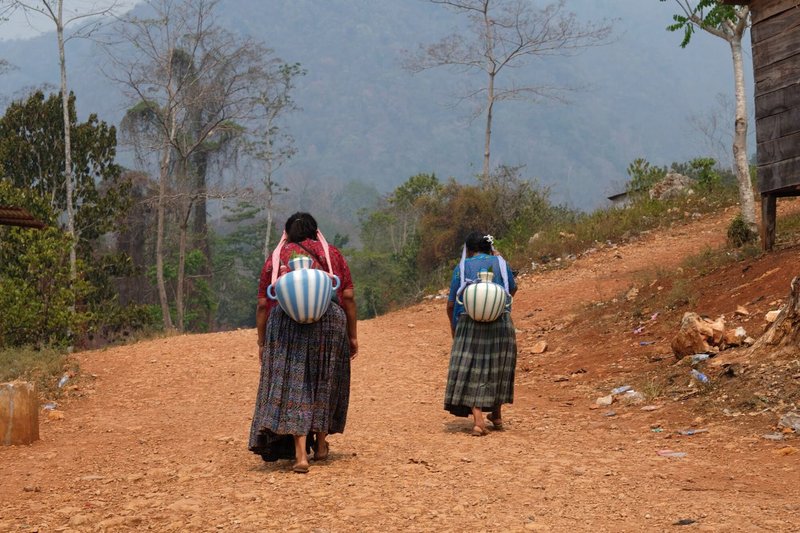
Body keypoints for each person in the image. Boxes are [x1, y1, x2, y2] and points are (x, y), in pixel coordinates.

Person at [248, 212, 358, 473]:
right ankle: (320, 444)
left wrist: (262, 341)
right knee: (325, 379)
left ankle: (300, 456)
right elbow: (349, 296)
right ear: (315, 231)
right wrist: (352, 335)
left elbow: (264, 304)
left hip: (286, 323)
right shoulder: (332, 254)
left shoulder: (277, 259)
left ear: (287, 234)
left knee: (296, 385)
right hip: (329, 321)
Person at [444, 232, 517, 436]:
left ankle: (478, 421)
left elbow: (451, 303)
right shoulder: (502, 264)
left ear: (468, 250)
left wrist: (454, 327)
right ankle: (497, 415)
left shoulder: (462, 267)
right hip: (501, 322)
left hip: (470, 323)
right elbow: (511, 289)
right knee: (497, 367)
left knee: (474, 368)